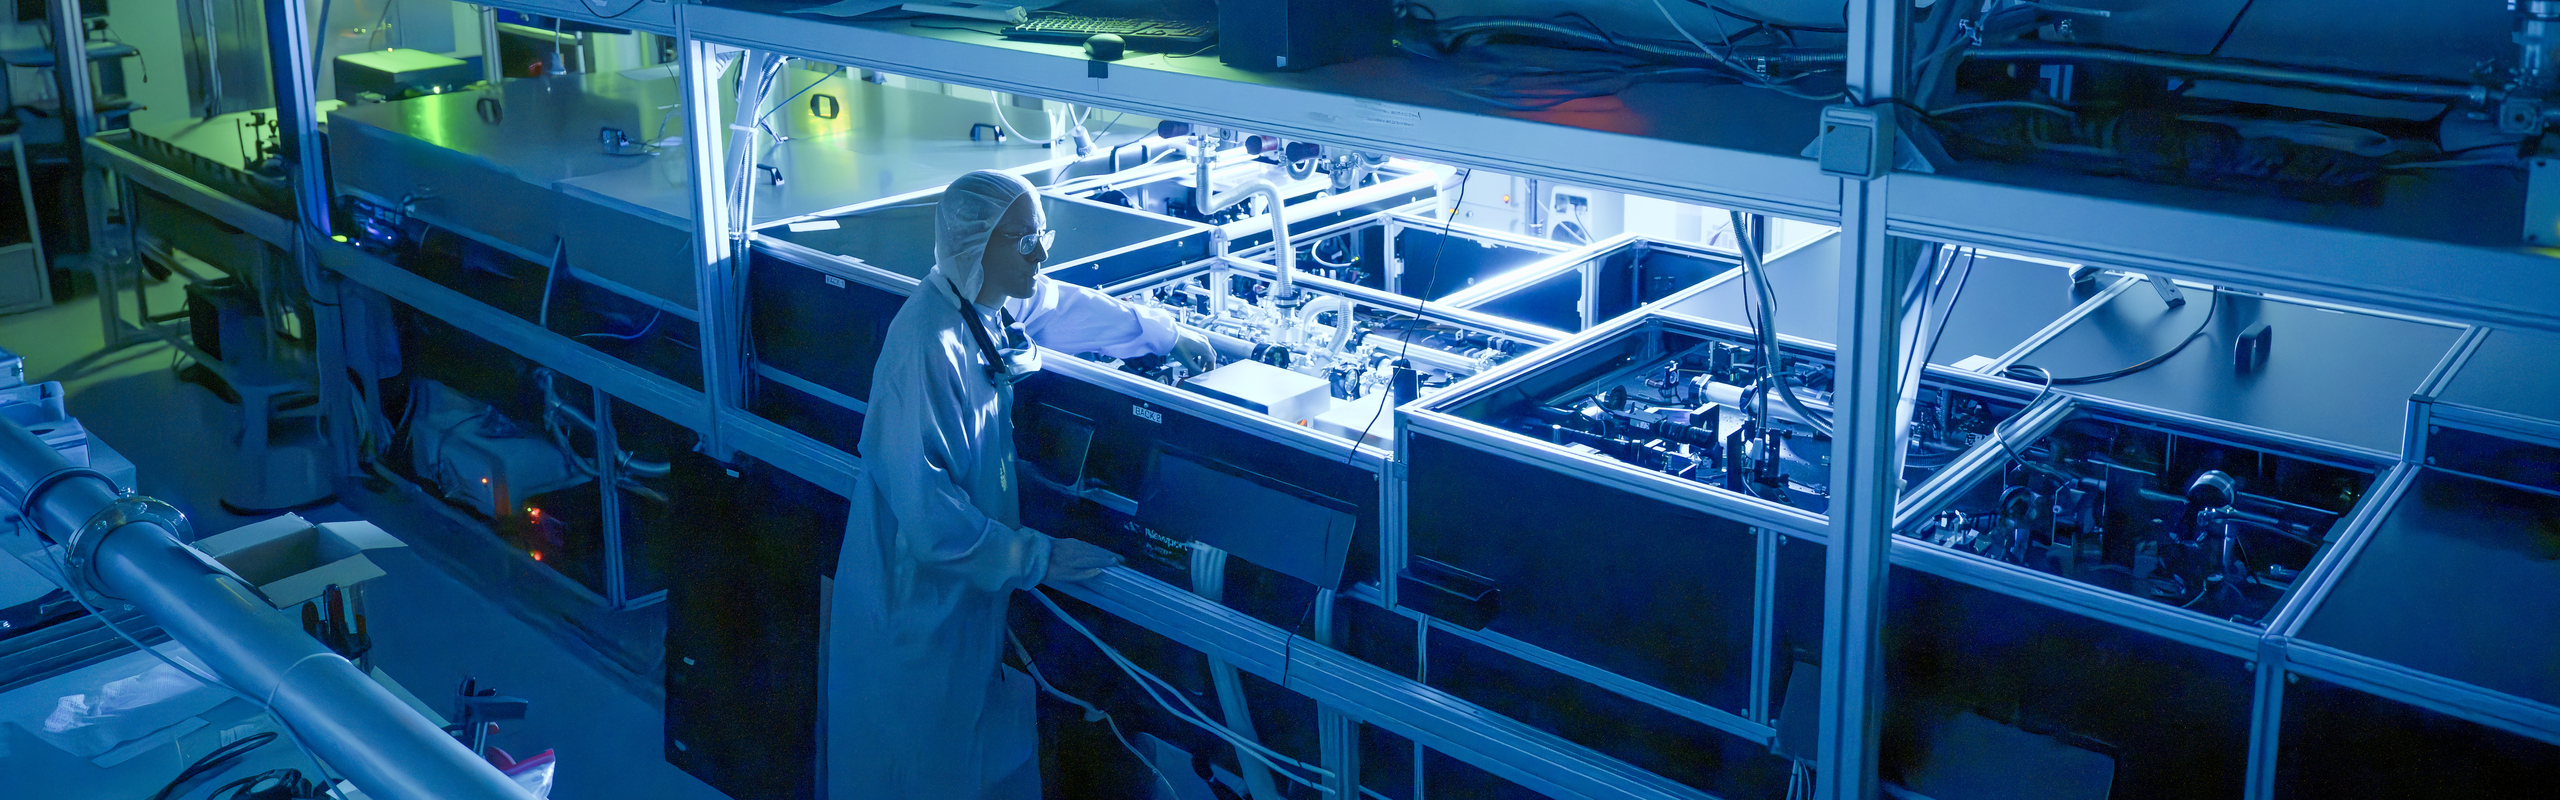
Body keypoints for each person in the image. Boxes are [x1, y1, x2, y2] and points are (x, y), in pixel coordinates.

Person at [826, 170, 1213, 800]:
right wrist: (1041, 557)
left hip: (965, 601)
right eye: (1027, 242)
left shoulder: (988, 301)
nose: (1043, 255)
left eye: (1044, 237)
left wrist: (1168, 334)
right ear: (977, 245)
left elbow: (1068, 310)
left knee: (965, 750)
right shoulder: (923, 343)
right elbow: (931, 521)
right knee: (914, 761)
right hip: (913, 607)